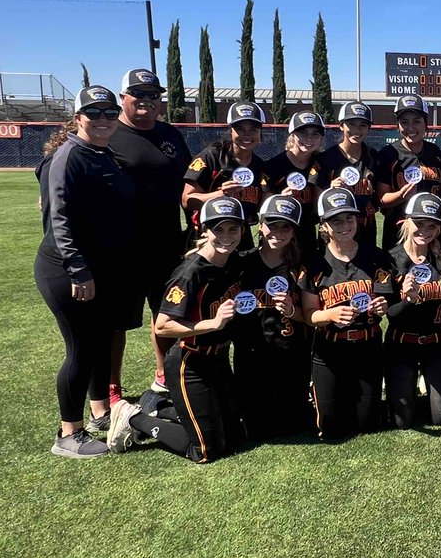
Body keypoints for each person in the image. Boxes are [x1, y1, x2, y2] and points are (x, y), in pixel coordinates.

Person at [35, 86, 137, 458]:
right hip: (69, 270)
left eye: (110, 114)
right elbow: (58, 220)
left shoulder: (103, 153)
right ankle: (68, 433)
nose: (103, 121)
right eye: (94, 114)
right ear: (78, 118)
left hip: (102, 266)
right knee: (80, 348)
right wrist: (79, 270)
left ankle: (100, 413)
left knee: (98, 342)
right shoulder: (69, 155)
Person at [107, 197, 244, 463]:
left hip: (217, 359)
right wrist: (212, 324)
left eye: (233, 229)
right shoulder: (190, 273)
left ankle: (156, 406)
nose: (226, 236)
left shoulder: (231, 261)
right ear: (204, 231)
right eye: (218, 229)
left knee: (236, 435)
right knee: (205, 450)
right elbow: (163, 326)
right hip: (189, 362)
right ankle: (132, 417)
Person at [107, 68, 191, 401]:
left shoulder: (170, 134)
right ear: (123, 98)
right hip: (120, 246)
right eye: (138, 94)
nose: (146, 101)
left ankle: (165, 377)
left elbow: (188, 184)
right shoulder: (107, 134)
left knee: (167, 314)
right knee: (116, 324)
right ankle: (111, 388)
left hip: (165, 242)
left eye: (153, 96)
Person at [297, 187, 394, 439]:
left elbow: (384, 299)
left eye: (349, 218)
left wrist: (381, 306)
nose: (344, 225)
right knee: (331, 426)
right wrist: (329, 315)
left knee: (367, 424)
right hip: (330, 349)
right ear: (324, 226)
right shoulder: (314, 263)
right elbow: (309, 314)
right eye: (335, 220)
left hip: (368, 345)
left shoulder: (376, 257)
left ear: (357, 220)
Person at [231, 194, 310, 441]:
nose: (278, 232)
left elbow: (310, 316)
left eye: (285, 226)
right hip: (251, 353)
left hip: (291, 353)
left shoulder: (301, 265)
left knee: (292, 426)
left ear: (294, 230)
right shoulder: (241, 263)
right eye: (272, 225)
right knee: (257, 429)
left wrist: (291, 311)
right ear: (260, 225)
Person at [384, 193, 441, 428]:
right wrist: (405, 298)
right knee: (401, 421)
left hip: (437, 342)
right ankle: (406, 387)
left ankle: (431, 384)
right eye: (419, 223)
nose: (424, 230)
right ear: (406, 221)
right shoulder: (391, 259)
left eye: (432, 225)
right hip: (402, 343)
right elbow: (390, 314)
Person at [182, 102, 267, 248]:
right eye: (240, 129)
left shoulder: (259, 166)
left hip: (240, 236)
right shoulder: (211, 157)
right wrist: (221, 194)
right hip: (208, 236)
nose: (246, 135)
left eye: (253, 129)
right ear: (231, 131)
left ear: (260, 133)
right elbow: (187, 199)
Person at [375, 95, 441, 251]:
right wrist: (401, 195)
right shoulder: (389, 154)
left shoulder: (435, 153)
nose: (410, 128)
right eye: (404, 122)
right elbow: (381, 199)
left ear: (426, 125)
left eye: (416, 121)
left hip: (432, 231)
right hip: (399, 231)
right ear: (398, 125)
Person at [261, 110, 324, 259]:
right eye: (303, 133)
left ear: (321, 138)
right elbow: (264, 207)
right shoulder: (273, 166)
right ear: (292, 135)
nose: (309, 138)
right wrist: (279, 200)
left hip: (307, 231)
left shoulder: (323, 163)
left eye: (315, 134)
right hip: (279, 232)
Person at [315, 101, 379, 246]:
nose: (357, 130)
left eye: (362, 125)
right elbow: (316, 202)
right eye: (351, 124)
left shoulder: (374, 157)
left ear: (369, 128)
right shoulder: (326, 158)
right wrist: (328, 190)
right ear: (341, 126)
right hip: (335, 229)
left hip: (366, 227)